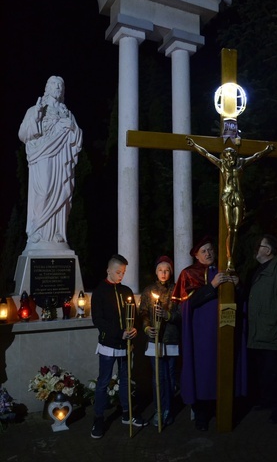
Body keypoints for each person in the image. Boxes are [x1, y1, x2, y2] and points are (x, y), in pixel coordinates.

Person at [234, 234, 277, 424]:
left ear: (268, 250)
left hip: (273, 332)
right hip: (259, 332)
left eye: (259, 245)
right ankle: (267, 401)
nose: (256, 249)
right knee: (265, 372)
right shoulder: (259, 270)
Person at [171, 236, 234, 431]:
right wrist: (211, 286)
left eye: (210, 249)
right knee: (202, 370)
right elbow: (187, 304)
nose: (208, 253)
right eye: (203, 251)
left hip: (222, 329)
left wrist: (237, 284)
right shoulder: (189, 274)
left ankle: (221, 409)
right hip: (200, 334)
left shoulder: (224, 269)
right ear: (196, 255)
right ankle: (201, 414)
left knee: (220, 367)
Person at [186, 137, 275, 272]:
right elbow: (206, 154)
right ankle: (229, 260)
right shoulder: (222, 165)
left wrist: (267, 150)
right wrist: (194, 145)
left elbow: (256, 156)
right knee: (230, 228)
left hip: (238, 197)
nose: (230, 158)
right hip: (227, 197)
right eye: (227, 155)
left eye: (231, 155)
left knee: (235, 229)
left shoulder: (241, 164)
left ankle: (231, 257)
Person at [18, 76, 82, 250]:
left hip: (61, 158)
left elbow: (78, 139)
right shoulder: (36, 109)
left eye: (61, 85)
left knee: (62, 191)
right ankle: (37, 230)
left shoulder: (67, 113)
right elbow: (23, 134)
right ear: (47, 88)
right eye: (54, 85)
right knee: (45, 190)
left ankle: (57, 232)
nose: (58, 88)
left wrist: (73, 128)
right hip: (43, 156)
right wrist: (36, 119)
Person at [90, 254, 149, 439]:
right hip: (109, 344)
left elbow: (135, 317)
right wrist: (119, 333)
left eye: (123, 272)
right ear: (108, 270)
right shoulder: (99, 292)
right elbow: (98, 320)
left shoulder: (126, 291)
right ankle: (98, 418)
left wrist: (134, 330)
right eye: (118, 272)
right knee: (103, 383)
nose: (121, 275)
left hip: (126, 344)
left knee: (126, 380)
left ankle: (127, 413)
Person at [139, 255, 181, 427]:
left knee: (170, 376)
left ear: (170, 272)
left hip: (170, 338)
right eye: (160, 270)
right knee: (158, 377)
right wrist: (148, 328)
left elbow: (181, 314)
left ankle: (168, 409)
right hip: (155, 338)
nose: (163, 273)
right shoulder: (149, 291)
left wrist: (168, 315)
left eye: (167, 270)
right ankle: (158, 409)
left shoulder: (176, 290)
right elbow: (143, 313)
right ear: (156, 272)